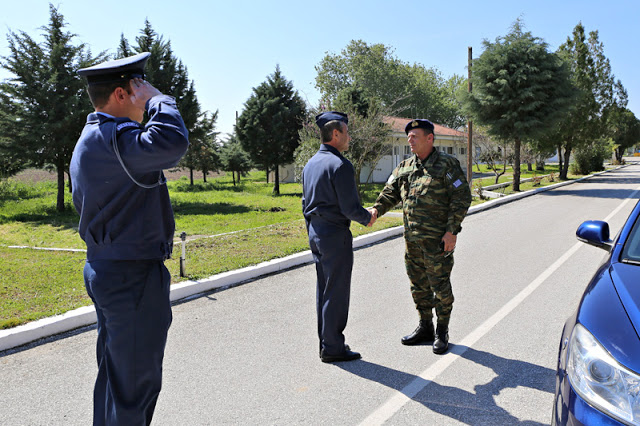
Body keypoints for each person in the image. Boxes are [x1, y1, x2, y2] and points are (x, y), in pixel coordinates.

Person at [70, 52, 189, 425]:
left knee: (116, 380)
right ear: (121, 94)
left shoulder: (94, 137)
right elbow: (171, 142)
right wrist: (160, 100)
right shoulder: (115, 138)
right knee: (135, 386)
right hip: (130, 276)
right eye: (139, 86)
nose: (147, 95)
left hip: (109, 268)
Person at [372, 119, 471, 355]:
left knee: (440, 286)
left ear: (430, 138)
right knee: (418, 286)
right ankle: (425, 326)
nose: (410, 140)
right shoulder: (405, 166)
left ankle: (442, 331)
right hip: (412, 241)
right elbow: (390, 193)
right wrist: (376, 210)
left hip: (438, 241)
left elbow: (461, 198)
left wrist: (451, 231)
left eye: (415, 136)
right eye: (409, 137)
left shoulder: (447, 165)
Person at [302, 111, 377, 363]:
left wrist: (313, 229)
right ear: (335, 134)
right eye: (346, 132)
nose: (349, 137)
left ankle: (326, 343)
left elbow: (305, 202)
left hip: (316, 232)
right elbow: (350, 208)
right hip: (335, 235)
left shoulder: (311, 164)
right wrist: (368, 217)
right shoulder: (340, 165)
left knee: (324, 289)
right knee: (336, 291)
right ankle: (333, 348)